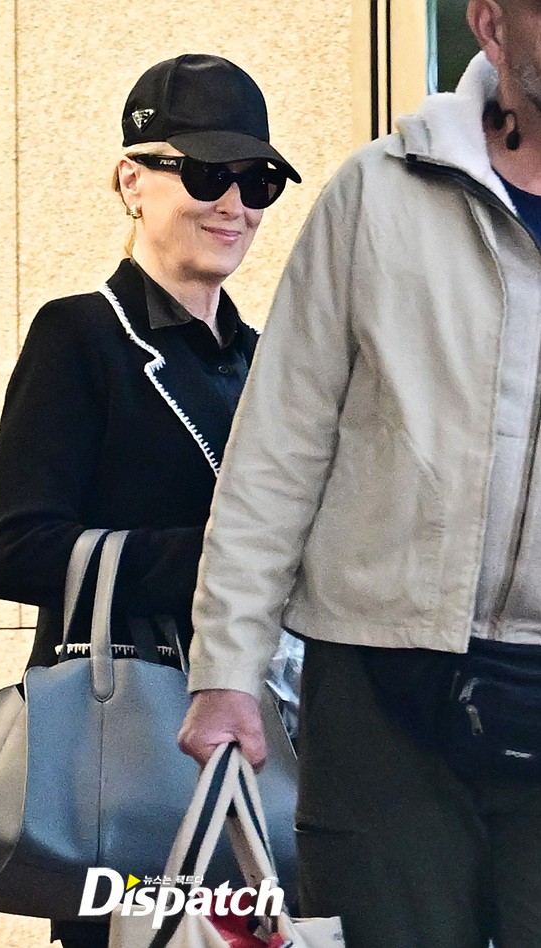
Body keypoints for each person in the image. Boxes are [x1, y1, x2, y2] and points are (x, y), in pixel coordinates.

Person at [178, 1, 541, 946]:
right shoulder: (378, 192)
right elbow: (278, 447)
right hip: (380, 698)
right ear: (492, 25)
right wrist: (227, 669)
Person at [0, 53, 300, 948]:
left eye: (258, 181)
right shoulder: (81, 335)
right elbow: (15, 549)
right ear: (133, 181)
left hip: (264, 742)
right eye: (205, 173)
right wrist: (224, 561)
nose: (234, 203)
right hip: (129, 754)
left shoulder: (269, 362)